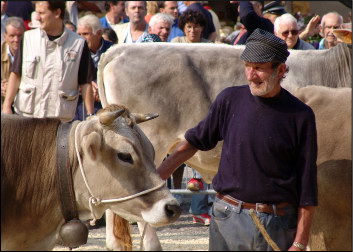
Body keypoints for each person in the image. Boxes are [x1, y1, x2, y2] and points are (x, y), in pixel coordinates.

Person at [158, 28, 317, 251]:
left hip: (277, 225)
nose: (251, 75)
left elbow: (307, 185)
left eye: (259, 69)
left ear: (280, 70)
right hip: (226, 218)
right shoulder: (229, 100)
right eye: (248, 66)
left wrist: (300, 243)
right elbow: (194, 142)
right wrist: (156, 178)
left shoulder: (300, 116)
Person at [2, 1, 94, 122]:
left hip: (59, 122)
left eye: (41, 13)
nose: (37, 17)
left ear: (57, 13)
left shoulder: (78, 44)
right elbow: (16, 74)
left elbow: (86, 83)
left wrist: (90, 115)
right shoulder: (28, 38)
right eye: (36, 12)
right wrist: (6, 107)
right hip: (27, 118)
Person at [171, 8, 213, 225]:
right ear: (183, 28)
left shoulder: (210, 48)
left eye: (196, 26)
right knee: (174, 156)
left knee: (200, 155)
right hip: (177, 107)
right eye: (189, 26)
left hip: (201, 106)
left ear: (202, 28)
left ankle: (199, 208)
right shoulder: (175, 44)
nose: (193, 30)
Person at [75, 14, 114, 121]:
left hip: (107, 104)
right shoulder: (73, 50)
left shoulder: (113, 50)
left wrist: (99, 86)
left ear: (99, 33)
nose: (81, 38)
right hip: (80, 105)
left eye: (86, 34)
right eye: (79, 34)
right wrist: (86, 84)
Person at [1, 17, 25, 105]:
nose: (16, 40)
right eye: (12, 36)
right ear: (5, 36)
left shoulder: (32, 53)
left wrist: (12, 87)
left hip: (23, 102)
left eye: (20, 36)